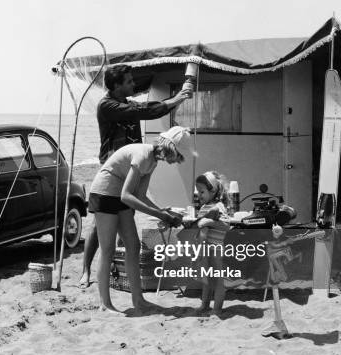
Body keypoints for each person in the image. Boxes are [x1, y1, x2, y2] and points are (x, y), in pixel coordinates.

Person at [79, 64, 191, 288]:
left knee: (125, 216)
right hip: (112, 166)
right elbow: (146, 111)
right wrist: (177, 98)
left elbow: (149, 108)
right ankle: (86, 270)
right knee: (98, 223)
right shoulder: (107, 106)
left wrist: (177, 100)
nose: (133, 84)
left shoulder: (127, 103)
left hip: (133, 163)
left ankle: (117, 266)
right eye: (129, 81)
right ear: (117, 85)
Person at [89, 126, 192, 313]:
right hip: (104, 193)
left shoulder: (152, 161)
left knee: (134, 246)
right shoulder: (143, 155)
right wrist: (161, 215)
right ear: (170, 148)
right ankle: (105, 304)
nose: (176, 161)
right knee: (108, 249)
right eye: (177, 156)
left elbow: (140, 195)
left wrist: (162, 210)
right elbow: (127, 196)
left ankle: (138, 300)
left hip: (118, 194)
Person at [194, 171, 231, 314]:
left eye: (202, 191)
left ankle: (216, 309)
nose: (199, 195)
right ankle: (204, 305)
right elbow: (201, 230)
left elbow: (226, 225)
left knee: (218, 281)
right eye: (198, 191)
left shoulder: (218, 206)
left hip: (217, 249)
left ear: (213, 191)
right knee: (206, 279)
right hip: (205, 249)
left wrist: (209, 221)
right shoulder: (204, 208)